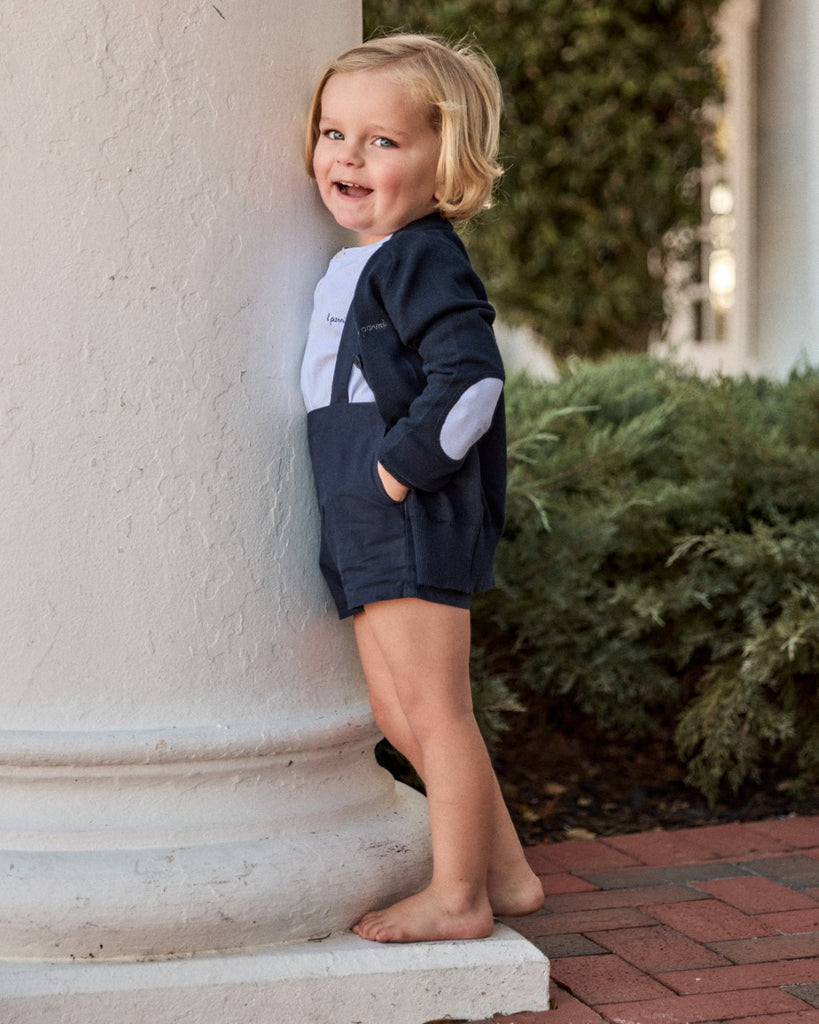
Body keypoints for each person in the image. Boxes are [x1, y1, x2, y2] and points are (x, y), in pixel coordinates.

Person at [300, 32, 543, 944]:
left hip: (407, 500)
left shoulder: (419, 255)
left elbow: (471, 380)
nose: (348, 157)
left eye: (382, 141)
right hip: (359, 492)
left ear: (446, 162)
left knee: (435, 713)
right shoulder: (367, 257)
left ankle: (458, 897)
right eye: (333, 134)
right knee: (395, 713)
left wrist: (396, 472)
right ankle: (506, 874)